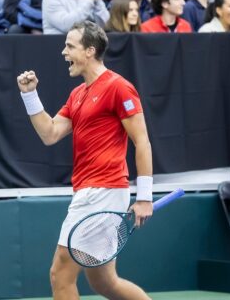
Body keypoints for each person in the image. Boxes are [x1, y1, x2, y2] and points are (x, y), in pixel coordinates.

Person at [16, 20, 154, 300]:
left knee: (60, 274)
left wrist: (145, 197)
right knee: (105, 283)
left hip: (101, 192)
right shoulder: (78, 94)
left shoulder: (119, 87)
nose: (63, 52)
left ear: (90, 51)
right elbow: (50, 133)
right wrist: (30, 95)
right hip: (91, 191)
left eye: (70, 46)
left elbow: (142, 142)